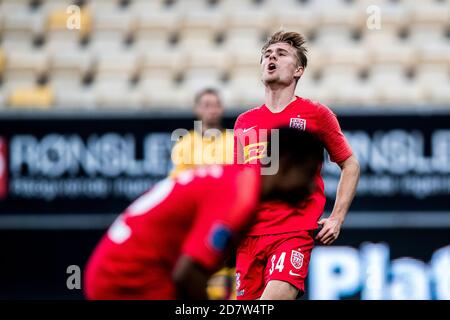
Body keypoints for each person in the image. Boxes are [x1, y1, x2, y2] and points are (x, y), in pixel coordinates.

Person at [84, 128, 324, 300]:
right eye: (309, 173)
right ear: (285, 164)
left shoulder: (238, 180)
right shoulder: (239, 197)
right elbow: (188, 275)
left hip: (118, 271)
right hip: (127, 280)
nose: (312, 186)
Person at [233, 31, 361, 300]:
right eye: (267, 55)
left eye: (281, 54)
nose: (272, 58)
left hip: (292, 232)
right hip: (249, 238)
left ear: (298, 70)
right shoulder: (245, 122)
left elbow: (350, 165)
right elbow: (239, 181)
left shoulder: (316, 115)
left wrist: (337, 217)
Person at [170, 88, 235, 299]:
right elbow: (178, 184)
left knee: (231, 276)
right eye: (207, 105)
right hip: (197, 221)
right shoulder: (184, 144)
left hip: (230, 218)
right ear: (197, 109)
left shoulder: (235, 140)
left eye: (216, 104)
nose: (212, 110)